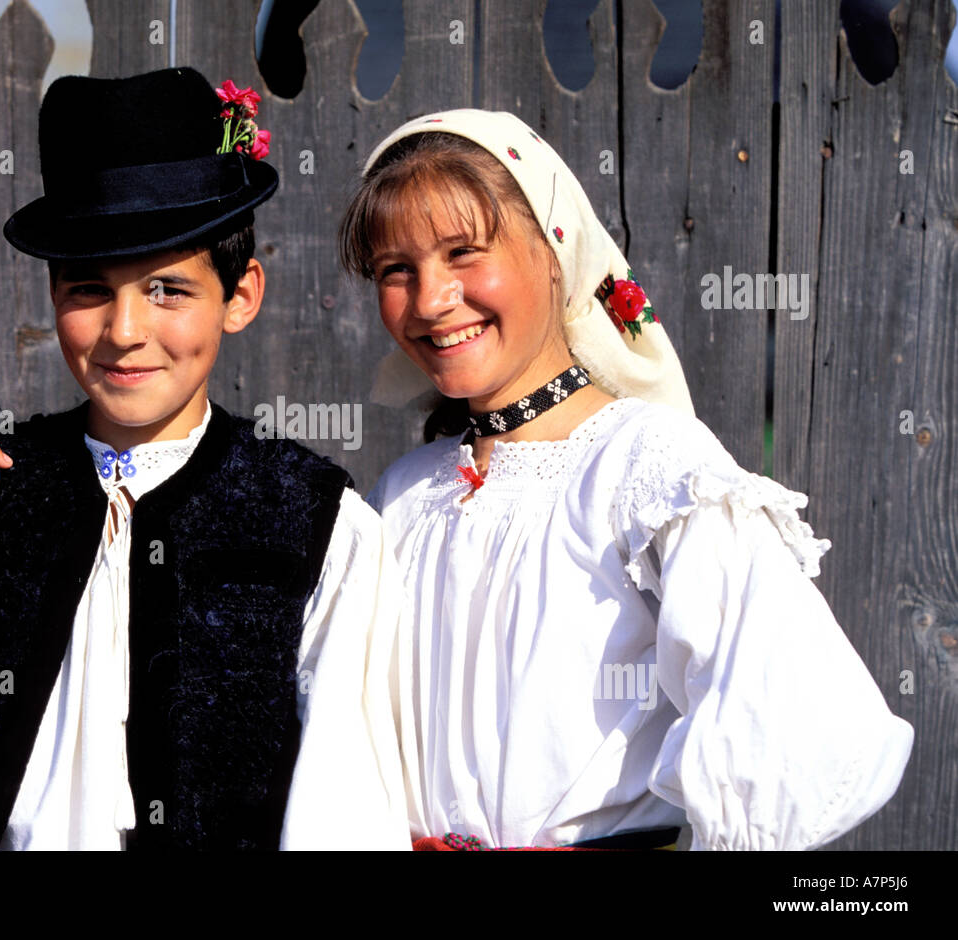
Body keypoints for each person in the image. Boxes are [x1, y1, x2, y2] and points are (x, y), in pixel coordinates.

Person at [0, 67, 409, 851]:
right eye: (89, 289)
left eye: (169, 289)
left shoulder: (312, 522)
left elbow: (343, 805)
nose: (125, 330)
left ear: (240, 295)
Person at [340, 108, 914, 851]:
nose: (430, 299)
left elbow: (801, 727)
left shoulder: (648, 468)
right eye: (397, 270)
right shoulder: (404, 495)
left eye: (463, 252)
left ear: (555, 251)